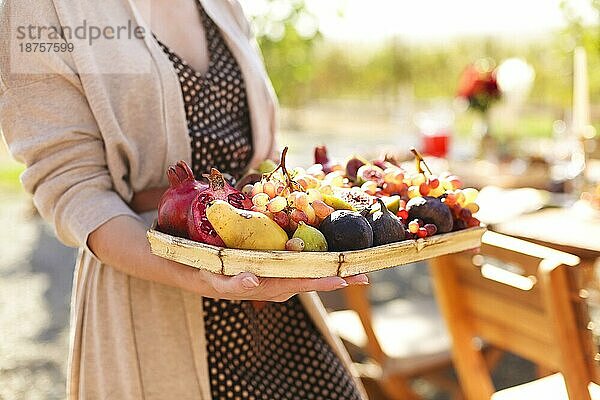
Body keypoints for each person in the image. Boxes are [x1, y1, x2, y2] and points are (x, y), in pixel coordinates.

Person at [0, 0, 369, 399]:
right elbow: (73, 187)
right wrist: (195, 273)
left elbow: (259, 152)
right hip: (149, 301)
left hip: (277, 309)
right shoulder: (37, 7)